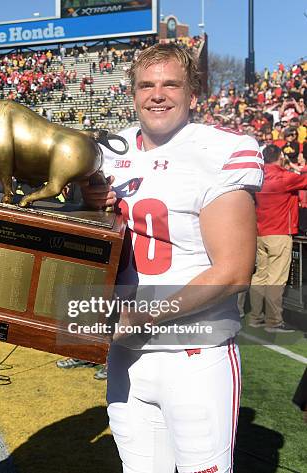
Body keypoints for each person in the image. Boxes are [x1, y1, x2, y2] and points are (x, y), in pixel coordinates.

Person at [81, 43, 263, 473]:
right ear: (133, 93)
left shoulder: (220, 151)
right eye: (146, 85)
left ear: (193, 95)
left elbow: (235, 271)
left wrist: (143, 315)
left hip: (195, 353)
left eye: (170, 84)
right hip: (126, 355)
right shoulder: (109, 150)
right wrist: (91, 204)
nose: (157, 94)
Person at [247, 144, 306, 332]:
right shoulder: (284, 177)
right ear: (280, 157)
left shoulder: (258, 176)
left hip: (261, 232)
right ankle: (274, 322)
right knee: (276, 279)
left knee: (259, 276)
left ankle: (255, 317)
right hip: (279, 233)